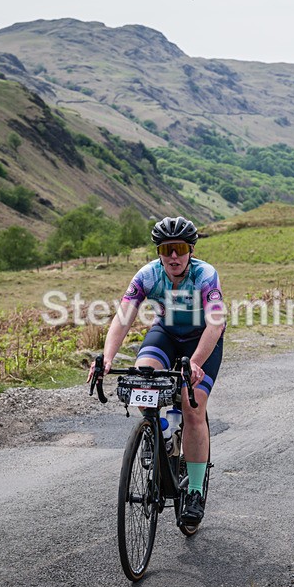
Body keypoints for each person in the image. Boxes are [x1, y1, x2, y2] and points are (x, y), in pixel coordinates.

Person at [88, 216, 225, 526]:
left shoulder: (205, 275)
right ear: (158, 253)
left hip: (203, 339)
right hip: (166, 333)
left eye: (180, 249)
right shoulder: (148, 275)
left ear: (191, 250)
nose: (173, 256)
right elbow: (123, 318)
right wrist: (106, 358)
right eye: (166, 250)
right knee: (141, 379)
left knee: (192, 408)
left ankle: (194, 491)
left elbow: (215, 324)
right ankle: (161, 432)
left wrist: (195, 363)